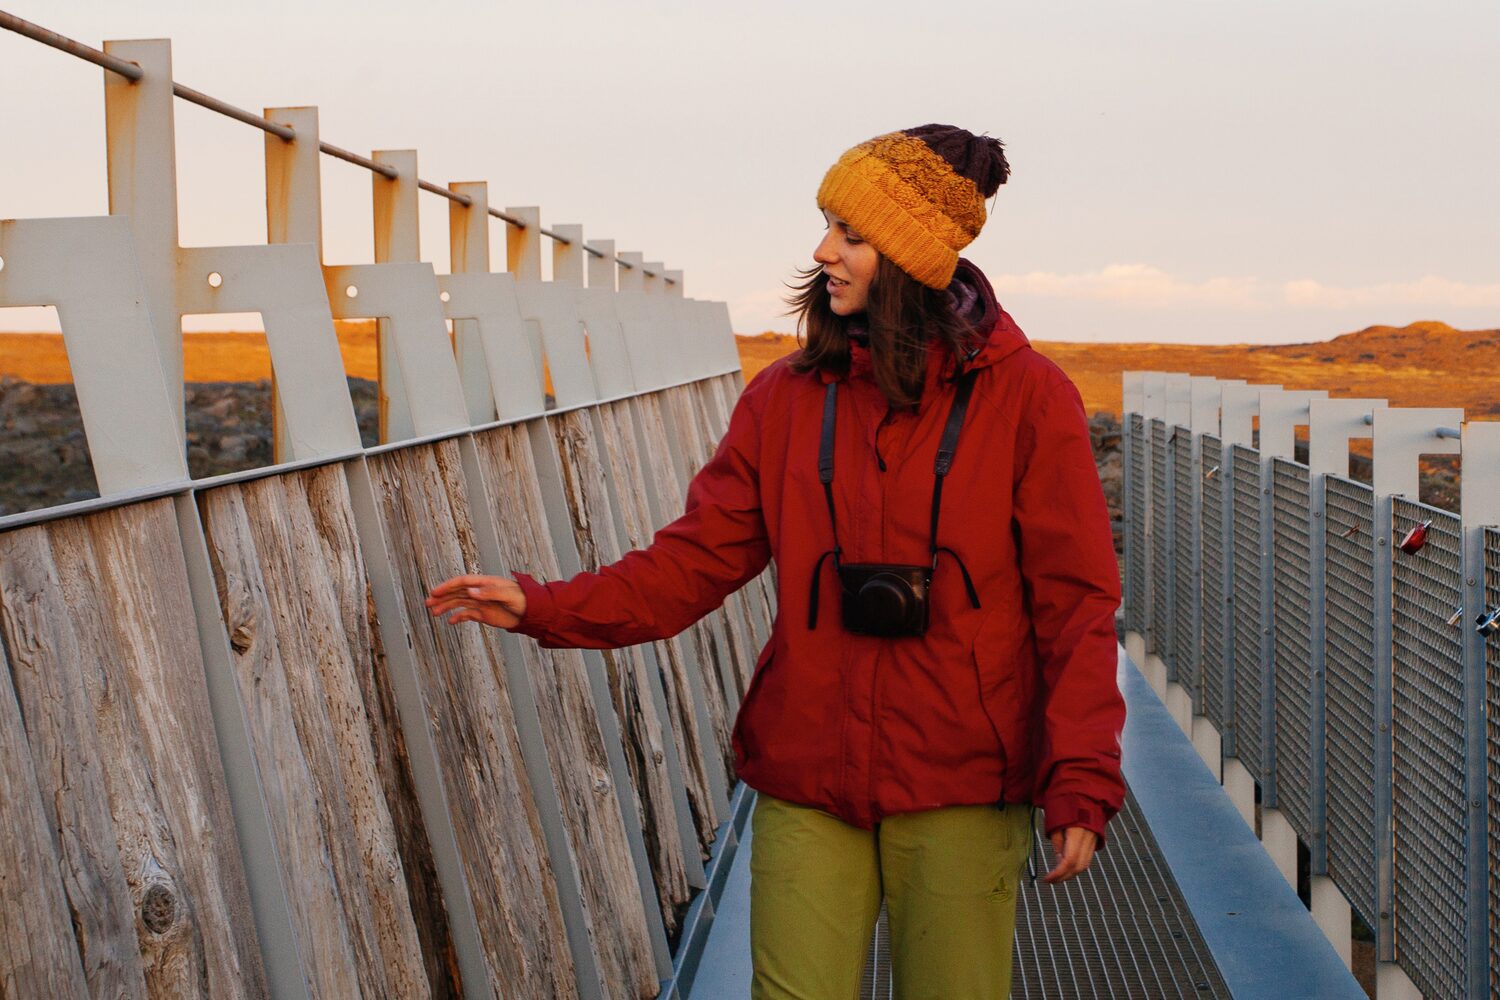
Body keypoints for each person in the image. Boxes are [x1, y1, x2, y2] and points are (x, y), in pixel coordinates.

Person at [426, 124, 1125, 1000]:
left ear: (908, 257)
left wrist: (1082, 776)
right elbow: (692, 562)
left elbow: (1077, 606)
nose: (823, 250)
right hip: (808, 769)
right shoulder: (785, 400)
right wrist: (548, 607)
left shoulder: (1030, 401)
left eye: (851, 234)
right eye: (827, 224)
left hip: (965, 777)